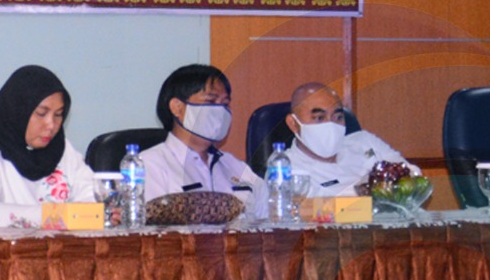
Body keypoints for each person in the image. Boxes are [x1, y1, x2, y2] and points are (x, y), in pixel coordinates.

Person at [0, 65, 96, 228]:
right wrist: (56, 215)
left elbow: (91, 200)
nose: (51, 125)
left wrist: (103, 213)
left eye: (58, 115)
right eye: (41, 114)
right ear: (18, 110)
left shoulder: (62, 149)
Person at [141, 63, 267, 219]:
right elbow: (151, 225)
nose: (221, 111)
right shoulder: (150, 165)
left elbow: (271, 220)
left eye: (225, 104)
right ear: (177, 108)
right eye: (210, 101)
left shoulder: (235, 167)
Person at [284, 82, 418, 197]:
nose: (331, 125)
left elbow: (411, 176)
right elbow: (318, 210)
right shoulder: (285, 169)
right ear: (293, 123)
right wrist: (366, 187)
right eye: (319, 118)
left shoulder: (365, 141)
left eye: (338, 117)